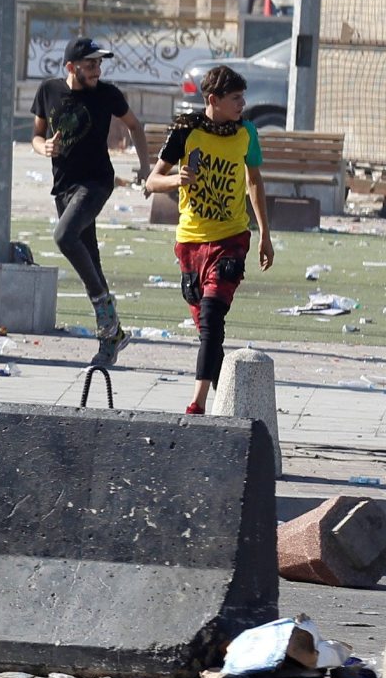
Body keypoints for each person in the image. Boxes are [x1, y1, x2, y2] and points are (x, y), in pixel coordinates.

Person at [143, 64, 276, 415]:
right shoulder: (186, 130)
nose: (242, 104)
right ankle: (230, 403)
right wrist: (177, 180)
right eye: (235, 98)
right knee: (208, 330)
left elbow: (255, 182)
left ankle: (197, 403)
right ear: (212, 99)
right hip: (190, 242)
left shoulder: (246, 132)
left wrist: (264, 233)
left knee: (213, 315)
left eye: (243, 97)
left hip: (232, 238)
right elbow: (151, 181)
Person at [31, 34, 150, 358]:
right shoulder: (49, 91)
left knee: (64, 237)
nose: (97, 69)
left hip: (96, 182)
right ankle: (112, 338)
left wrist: (144, 166)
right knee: (91, 262)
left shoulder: (108, 95)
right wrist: (46, 149)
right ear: (71, 66)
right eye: (90, 64)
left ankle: (103, 309)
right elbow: (37, 136)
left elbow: (135, 126)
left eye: (99, 63)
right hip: (63, 186)